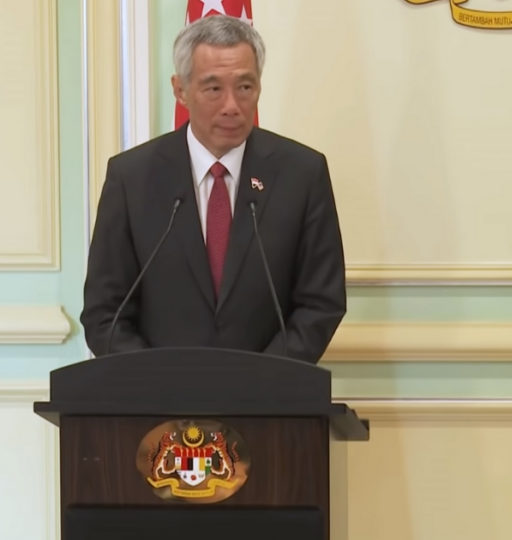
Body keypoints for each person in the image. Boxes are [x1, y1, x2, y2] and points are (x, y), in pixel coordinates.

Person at [80, 15, 345, 363]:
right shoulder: (132, 178)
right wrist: (159, 383)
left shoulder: (301, 174)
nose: (232, 106)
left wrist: (262, 381)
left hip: (269, 403)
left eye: (245, 87)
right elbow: (105, 313)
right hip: (159, 405)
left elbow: (321, 302)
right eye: (214, 88)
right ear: (180, 90)